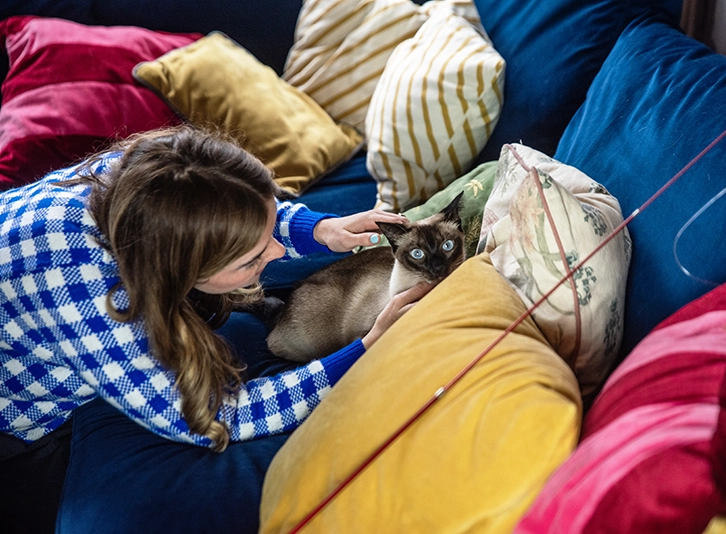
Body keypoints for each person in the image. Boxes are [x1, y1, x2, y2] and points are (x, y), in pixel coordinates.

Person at [0, 125, 434, 533]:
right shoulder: (90, 299)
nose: (280, 251)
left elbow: (234, 207)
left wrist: (319, 229)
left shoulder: (137, 175)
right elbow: (213, 415)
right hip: (21, 431)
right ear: (179, 266)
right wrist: (363, 351)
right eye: (251, 259)